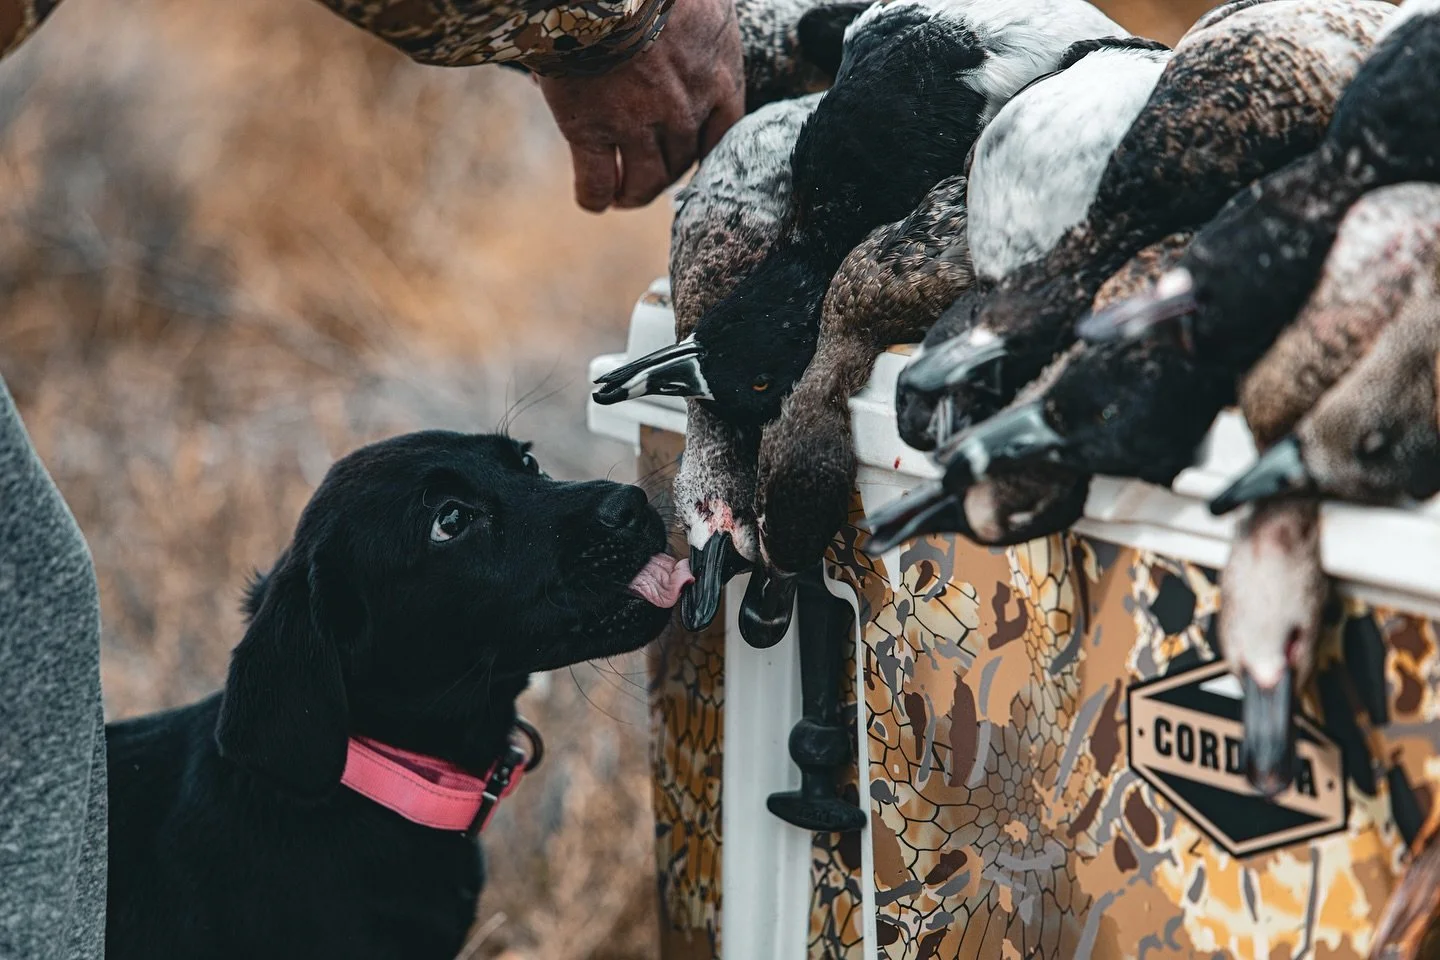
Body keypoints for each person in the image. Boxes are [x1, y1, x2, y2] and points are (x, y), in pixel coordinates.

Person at [0, 1, 742, 956]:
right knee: (41, 593)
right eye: (452, 523)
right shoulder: (254, 894)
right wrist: (614, 27)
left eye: (520, 466)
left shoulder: (393, 847)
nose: (601, 506)